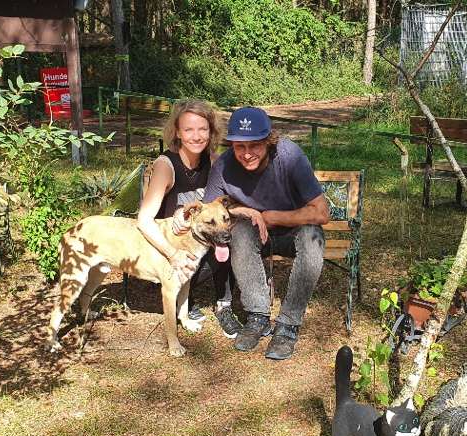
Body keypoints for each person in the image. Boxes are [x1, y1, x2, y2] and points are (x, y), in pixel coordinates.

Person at [202, 106, 329, 360]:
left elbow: (322, 212)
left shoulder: (289, 155)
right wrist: (247, 212)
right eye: (240, 147)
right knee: (239, 233)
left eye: (255, 145)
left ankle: (288, 324)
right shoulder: (224, 165)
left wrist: (272, 217)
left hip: (295, 230)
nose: (247, 153)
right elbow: (210, 209)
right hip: (254, 232)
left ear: (268, 141)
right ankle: (257, 315)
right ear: (231, 144)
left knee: (312, 240)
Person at [137, 99, 242, 338]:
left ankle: (224, 305)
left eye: (203, 129)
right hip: (172, 248)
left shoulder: (214, 161)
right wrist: (172, 254)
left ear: (211, 131)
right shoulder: (166, 165)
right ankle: (184, 298)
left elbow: (228, 204)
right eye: (189, 129)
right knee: (216, 246)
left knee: (231, 238)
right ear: (177, 132)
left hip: (202, 243)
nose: (196, 136)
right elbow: (143, 219)